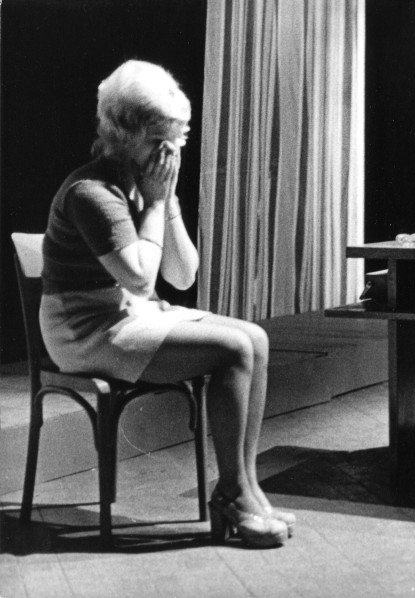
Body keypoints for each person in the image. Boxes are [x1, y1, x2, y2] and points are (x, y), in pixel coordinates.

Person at [40, 60, 294, 547]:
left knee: (256, 339)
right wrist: (156, 204)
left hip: (129, 313)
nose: (170, 152)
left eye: (176, 140)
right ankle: (234, 494)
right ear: (125, 134)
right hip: (85, 329)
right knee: (233, 349)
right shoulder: (91, 192)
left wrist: (167, 201)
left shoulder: (143, 183)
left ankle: (246, 487)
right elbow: (139, 279)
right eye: (160, 140)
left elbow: (181, 275)